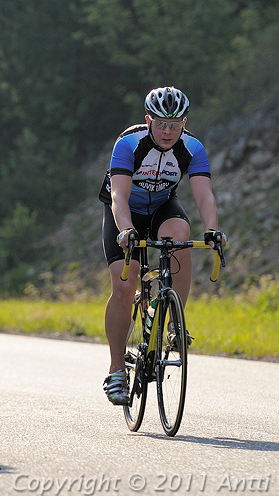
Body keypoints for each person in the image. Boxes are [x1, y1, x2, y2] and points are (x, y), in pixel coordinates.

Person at [98, 86, 226, 405]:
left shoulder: (192, 147)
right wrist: (126, 230)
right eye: (160, 123)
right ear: (148, 120)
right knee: (125, 284)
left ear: (184, 122)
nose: (168, 131)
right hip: (125, 209)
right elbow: (119, 197)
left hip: (162, 206)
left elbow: (204, 195)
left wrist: (212, 230)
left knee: (180, 236)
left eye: (175, 124)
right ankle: (116, 369)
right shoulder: (129, 144)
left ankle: (172, 322)